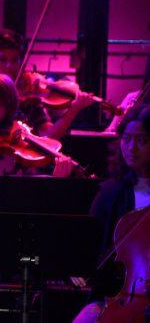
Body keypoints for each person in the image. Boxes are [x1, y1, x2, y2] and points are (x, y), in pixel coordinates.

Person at [73, 104, 150, 322]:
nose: (131, 148)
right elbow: (88, 243)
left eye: (142, 140)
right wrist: (78, 267)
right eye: (127, 139)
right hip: (120, 295)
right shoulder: (110, 193)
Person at [0, 29, 92, 139]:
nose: (9, 66)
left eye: (15, 60)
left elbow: (48, 136)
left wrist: (72, 111)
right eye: (2, 60)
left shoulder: (29, 97)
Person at [0, 73, 76, 185]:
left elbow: (33, 190)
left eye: (0, 103)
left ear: (9, 106)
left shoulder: (19, 142)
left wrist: (56, 180)